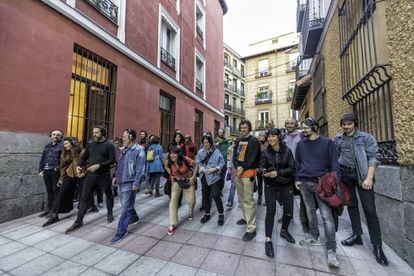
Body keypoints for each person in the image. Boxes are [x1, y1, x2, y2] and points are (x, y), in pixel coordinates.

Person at [334, 113, 388, 266]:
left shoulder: (365, 138)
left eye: (349, 124)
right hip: (345, 175)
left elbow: (374, 158)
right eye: (344, 124)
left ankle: (378, 246)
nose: (346, 126)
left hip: (362, 176)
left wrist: (369, 178)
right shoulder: (338, 139)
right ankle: (357, 235)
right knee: (351, 206)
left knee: (370, 211)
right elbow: (335, 155)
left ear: (355, 124)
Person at [295, 118, 340, 268]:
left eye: (306, 128)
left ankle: (331, 250)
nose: (303, 130)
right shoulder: (301, 144)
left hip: (323, 185)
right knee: (309, 212)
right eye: (302, 128)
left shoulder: (328, 143)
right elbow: (297, 163)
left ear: (314, 127)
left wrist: (333, 182)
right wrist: (297, 179)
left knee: (327, 217)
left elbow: (334, 165)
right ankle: (314, 236)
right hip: (305, 184)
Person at [65, 126, 116, 234]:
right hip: (90, 175)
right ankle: (79, 221)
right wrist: (79, 165)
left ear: (103, 133)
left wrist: (99, 165)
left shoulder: (109, 145)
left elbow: (112, 160)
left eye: (97, 132)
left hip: (104, 175)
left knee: (108, 194)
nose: (94, 134)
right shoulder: (91, 145)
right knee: (84, 197)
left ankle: (110, 213)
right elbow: (83, 157)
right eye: (94, 132)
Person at [262, 128, 296, 258]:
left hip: (285, 184)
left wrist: (278, 172)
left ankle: (284, 230)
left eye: (273, 136)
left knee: (289, 211)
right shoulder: (265, 152)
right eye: (269, 136)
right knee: (270, 211)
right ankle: (268, 239)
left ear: (278, 137)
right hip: (270, 184)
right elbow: (261, 166)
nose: (271, 139)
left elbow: (292, 169)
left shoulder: (287, 151)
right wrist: (264, 171)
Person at [110, 129, 145, 243]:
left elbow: (140, 169)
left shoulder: (139, 150)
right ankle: (134, 218)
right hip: (121, 180)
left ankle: (121, 231)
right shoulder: (124, 150)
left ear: (130, 137)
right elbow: (119, 164)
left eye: (124, 136)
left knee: (125, 208)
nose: (123, 138)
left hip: (130, 182)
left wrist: (136, 183)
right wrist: (115, 176)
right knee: (127, 204)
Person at [42, 137, 81, 227]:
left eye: (67, 143)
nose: (65, 145)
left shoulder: (79, 151)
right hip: (69, 175)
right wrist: (61, 178)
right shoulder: (64, 153)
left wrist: (73, 151)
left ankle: (91, 206)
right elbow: (63, 167)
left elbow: (79, 161)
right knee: (61, 193)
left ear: (72, 143)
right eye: (64, 144)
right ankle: (54, 215)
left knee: (83, 194)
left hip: (80, 175)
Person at [232, 120, 261, 241]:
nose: (243, 129)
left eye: (245, 127)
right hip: (238, 173)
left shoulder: (254, 141)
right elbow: (235, 155)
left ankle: (251, 228)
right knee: (241, 198)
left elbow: (253, 157)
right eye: (242, 127)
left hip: (248, 173)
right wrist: (237, 166)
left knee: (248, 200)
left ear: (249, 128)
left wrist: (242, 167)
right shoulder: (238, 140)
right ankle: (245, 218)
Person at [282, 117, 310, 233]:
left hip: (301, 170)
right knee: (287, 195)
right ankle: (288, 216)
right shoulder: (282, 137)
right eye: (287, 123)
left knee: (304, 196)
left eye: (291, 123)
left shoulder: (302, 136)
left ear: (296, 124)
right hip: (287, 170)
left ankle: (305, 220)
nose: (289, 125)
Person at [165, 146, 198, 235]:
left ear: (178, 154)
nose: (172, 155)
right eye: (171, 153)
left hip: (188, 180)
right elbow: (166, 166)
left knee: (191, 201)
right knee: (173, 201)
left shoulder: (185, 159)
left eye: (174, 153)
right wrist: (171, 174)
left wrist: (193, 177)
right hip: (177, 181)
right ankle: (172, 223)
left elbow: (196, 166)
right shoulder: (169, 161)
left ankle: (190, 211)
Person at [196, 133, 225, 225]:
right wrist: (203, 169)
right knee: (206, 196)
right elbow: (198, 163)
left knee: (216, 195)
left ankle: (221, 214)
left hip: (215, 177)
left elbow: (222, 162)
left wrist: (215, 169)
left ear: (211, 143)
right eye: (204, 143)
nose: (205, 145)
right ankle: (207, 214)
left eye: (207, 143)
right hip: (204, 177)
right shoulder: (200, 152)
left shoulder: (217, 152)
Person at [38, 129, 64, 217]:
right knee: (49, 190)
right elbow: (43, 158)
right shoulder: (47, 146)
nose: (55, 136)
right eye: (53, 134)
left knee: (56, 191)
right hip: (46, 171)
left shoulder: (63, 146)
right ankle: (49, 208)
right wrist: (40, 169)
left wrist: (57, 168)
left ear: (61, 137)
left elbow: (64, 161)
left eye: (58, 135)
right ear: (51, 136)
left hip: (56, 172)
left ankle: (54, 210)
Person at [214, 128, 229, 193]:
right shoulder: (215, 141)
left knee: (222, 178)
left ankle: (220, 190)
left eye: (222, 132)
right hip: (217, 162)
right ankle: (216, 190)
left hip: (224, 161)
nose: (221, 133)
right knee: (217, 177)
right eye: (219, 132)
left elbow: (229, 150)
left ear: (223, 133)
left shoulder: (226, 141)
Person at [256, 132, 267, 205]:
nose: (259, 136)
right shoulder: (257, 144)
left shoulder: (268, 144)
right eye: (259, 135)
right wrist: (256, 167)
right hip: (258, 166)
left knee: (266, 183)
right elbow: (255, 156)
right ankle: (259, 197)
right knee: (259, 183)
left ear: (265, 136)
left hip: (266, 167)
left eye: (261, 135)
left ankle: (266, 199)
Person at [225, 141, 237, 207]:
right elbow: (228, 159)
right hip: (233, 169)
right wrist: (229, 167)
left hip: (241, 169)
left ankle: (241, 201)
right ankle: (230, 201)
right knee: (233, 185)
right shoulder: (230, 149)